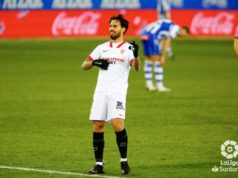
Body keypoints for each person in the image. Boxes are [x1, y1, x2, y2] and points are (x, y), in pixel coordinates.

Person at [81, 14, 140, 175]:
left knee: (118, 125)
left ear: (123, 29)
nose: (111, 29)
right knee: (98, 125)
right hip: (101, 92)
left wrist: (135, 55)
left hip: (117, 92)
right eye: (110, 26)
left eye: (114, 26)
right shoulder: (101, 47)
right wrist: (94, 62)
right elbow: (83, 65)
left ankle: (124, 162)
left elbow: (136, 68)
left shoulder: (128, 48)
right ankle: (99, 165)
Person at [140, 19, 189, 92]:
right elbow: (167, 41)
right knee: (158, 60)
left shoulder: (170, 26)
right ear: (182, 29)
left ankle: (149, 85)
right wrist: (163, 56)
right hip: (152, 35)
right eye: (184, 34)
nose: (182, 36)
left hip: (145, 33)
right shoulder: (176, 29)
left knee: (149, 59)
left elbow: (162, 40)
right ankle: (160, 86)